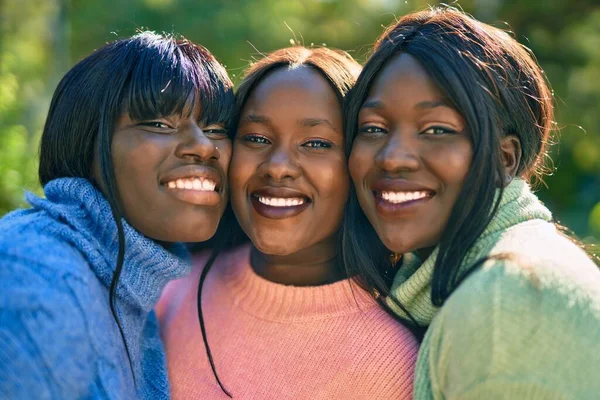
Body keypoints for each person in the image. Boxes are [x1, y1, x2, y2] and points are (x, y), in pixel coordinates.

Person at [342, 6, 600, 399]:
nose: (392, 157)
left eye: (437, 130)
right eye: (373, 128)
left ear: (504, 159)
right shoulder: (465, 284)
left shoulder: (510, 301)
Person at [157, 46, 419, 399]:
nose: (278, 166)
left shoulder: (389, 362)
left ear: (359, 162)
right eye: (256, 139)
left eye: (315, 143)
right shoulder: (173, 283)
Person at [0, 31, 234, 399]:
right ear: (85, 140)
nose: (205, 147)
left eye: (216, 129)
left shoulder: (131, 287)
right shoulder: (33, 274)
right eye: (158, 124)